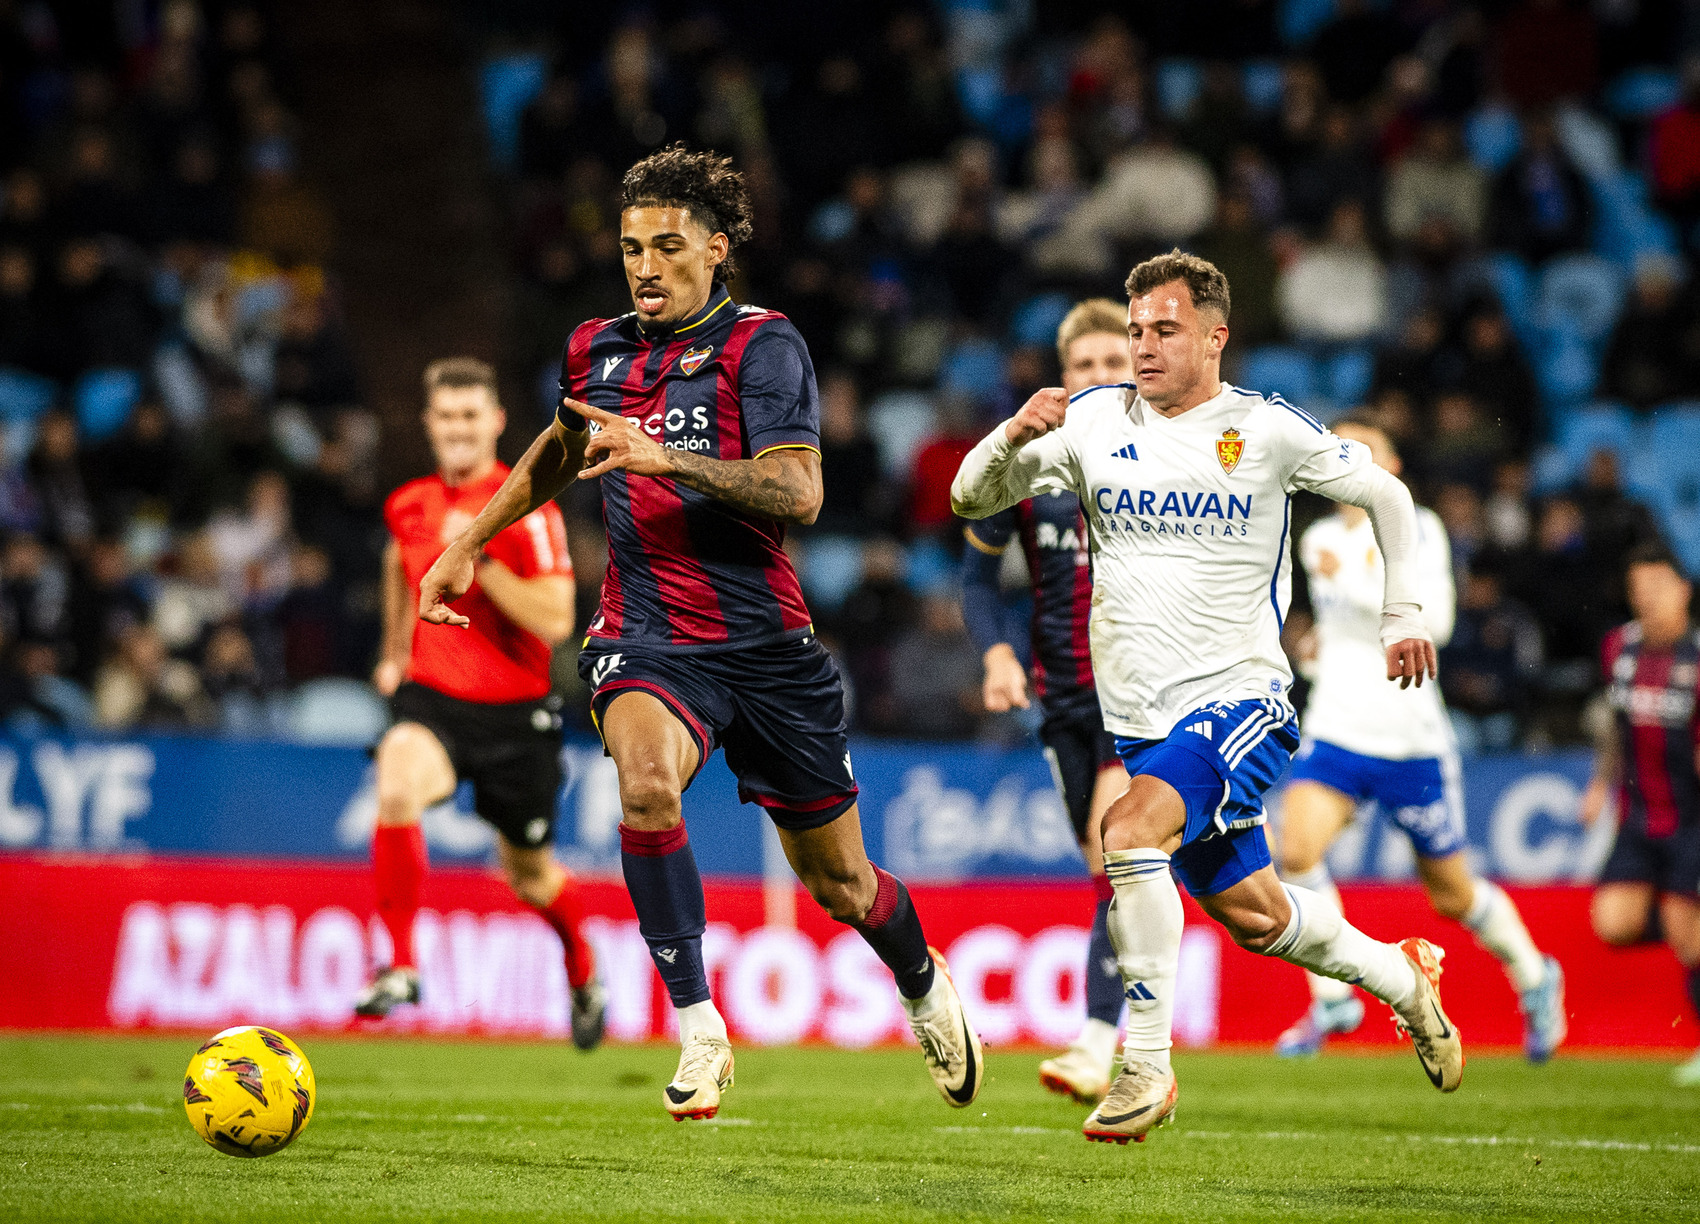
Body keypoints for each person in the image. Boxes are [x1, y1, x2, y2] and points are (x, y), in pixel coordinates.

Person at [416, 146, 982, 1121]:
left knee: (843, 886)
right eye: (632, 247)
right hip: (646, 633)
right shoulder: (595, 347)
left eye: (667, 246)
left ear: (715, 250)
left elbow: (798, 492)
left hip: (766, 644)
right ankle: (698, 1025)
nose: (644, 265)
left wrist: (664, 457)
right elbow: (561, 443)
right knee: (641, 785)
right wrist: (471, 538)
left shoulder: (762, 346)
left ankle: (921, 980)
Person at [951, 250, 1465, 1146]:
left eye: (1165, 331)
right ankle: (1402, 978)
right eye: (1137, 330)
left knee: (1127, 831)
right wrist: (1007, 436)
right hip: (1144, 724)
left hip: (1244, 699)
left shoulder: (1265, 431)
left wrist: (1402, 612)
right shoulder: (1088, 423)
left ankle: (1145, 1066)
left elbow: (1385, 491)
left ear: (1215, 336)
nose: (1144, 348)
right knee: (1258, 918)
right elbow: (969, 499)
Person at [1273, 415, 1564, 1063]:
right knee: (1296, 850)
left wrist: (1343, 585)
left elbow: (1435, 620)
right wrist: (1313, 650)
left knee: (1452, 894)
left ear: (1393, 467)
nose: (1347, 461)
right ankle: (1331, 998)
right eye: (1338, 450)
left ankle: (1535, 976)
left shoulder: (1418, 527)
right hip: (1339, 729)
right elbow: (1342, 632)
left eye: (1363, 451)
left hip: (1410, 737)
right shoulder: (1317, 535)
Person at [356, 357, 605, 1052]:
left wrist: (474, 553)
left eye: (472, 415)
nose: (459, 429)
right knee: (397, 779)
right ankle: (402, 965)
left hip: (516, 719)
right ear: (430, 424)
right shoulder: (409, 504)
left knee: (530, 876)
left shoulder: (530, 507)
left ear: (495, 422)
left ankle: (583, 971)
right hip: (432, 701)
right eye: (447, 416)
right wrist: (394, 651)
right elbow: (399, 568)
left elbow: (556, 619)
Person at [959, 297, 1132, 1104]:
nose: (1100, 377)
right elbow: (976, 580)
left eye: (1114, 363)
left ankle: (1102, 1042)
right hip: (1062, 699)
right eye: (1086, 366)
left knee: (1118, 852)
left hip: (1141, 694)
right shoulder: (1032, 468)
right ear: (1065, 378)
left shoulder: (1163, 459)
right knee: (1116, 867)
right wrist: (997, 652)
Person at [1581, 544, 1700, 1087]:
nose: (1646, 599)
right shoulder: (1619, 648)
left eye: (1656, 587)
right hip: (1638, 816)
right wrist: (1600, 785)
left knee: (1688, 936)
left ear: (1684, 591)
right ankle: (1685, 922)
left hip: (1690, 819)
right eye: (1637, 589)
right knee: (1613, 922)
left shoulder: (1696, 658)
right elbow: (1616, 727)